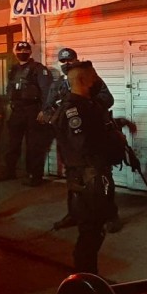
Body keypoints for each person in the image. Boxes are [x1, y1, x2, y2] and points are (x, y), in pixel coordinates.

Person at [40, 47, 122, 233]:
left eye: (70, 60)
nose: (66, 64)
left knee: (101, 178)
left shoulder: (90, 79)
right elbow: (48, 106)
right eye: (63, 61)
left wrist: (87, 104)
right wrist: (54, 112)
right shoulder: (59, 84)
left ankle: (111, 215)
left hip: (91, 135)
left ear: (76, 60)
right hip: (69, 140)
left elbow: (108, 98)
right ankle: (74, 214)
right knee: (73, 179)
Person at [51, 60, 115, 275]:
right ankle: (85, 278)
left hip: (94, 175)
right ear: (82, 80)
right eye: (94, 76)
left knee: (96, 228)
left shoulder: (88, 105)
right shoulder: (74, 110)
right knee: (90, 231)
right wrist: (109, 142)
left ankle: (88, 274)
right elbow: (83, 146)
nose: (97, 80)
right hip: (87, 178)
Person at [0, 41, 52, 186]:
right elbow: (10, 88)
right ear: (15, 52)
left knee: (34, 145)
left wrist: (44, 110)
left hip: (33, 110)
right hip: (16, 110)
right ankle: (10, 171)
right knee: (12, 143)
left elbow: (47, 90)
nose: (22, 52)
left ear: (30, 52)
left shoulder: (38, 69)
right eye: (19, 50)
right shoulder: (13, 69)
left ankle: (35, 176)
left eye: (25, 50)